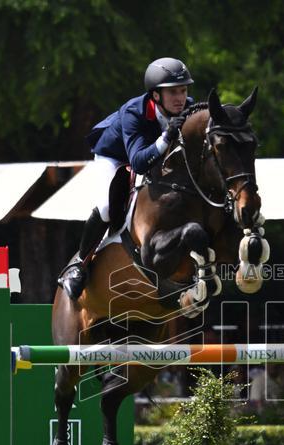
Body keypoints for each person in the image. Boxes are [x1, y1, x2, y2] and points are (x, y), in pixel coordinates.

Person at [59, 57, 194, 298]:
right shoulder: (135, 112)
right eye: (173, 92)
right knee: (106, 207)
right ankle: (80, 264)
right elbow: (139, 162)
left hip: (152, 156)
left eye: (183, 90)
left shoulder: (188, 109)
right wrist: (166, 136)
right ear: (155, 95)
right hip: (116, 157)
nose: (180, 98)